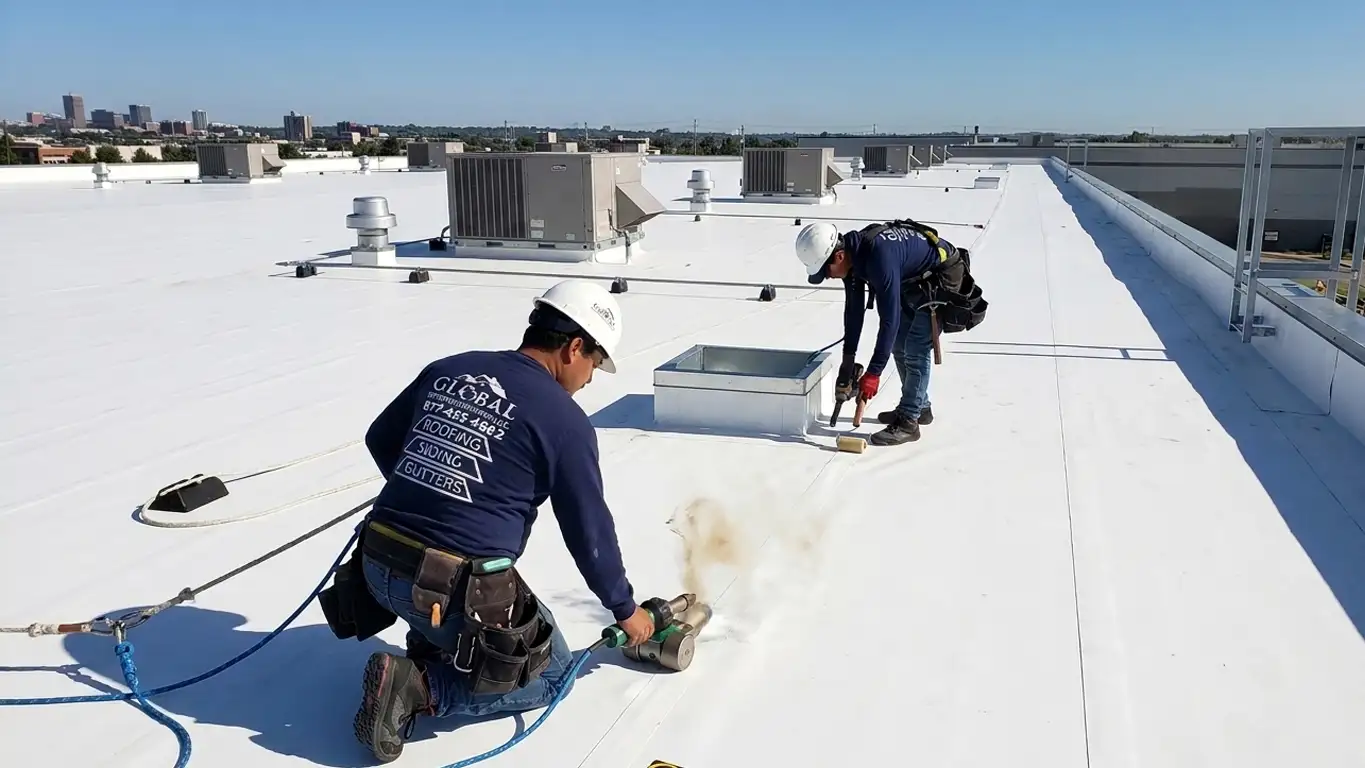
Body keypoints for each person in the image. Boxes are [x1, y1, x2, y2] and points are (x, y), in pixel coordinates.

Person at [347, 279, 657, 762]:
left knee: (465, 599)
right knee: (553, 673)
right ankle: (419, 687)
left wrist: (434, 493)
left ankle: (431, 642)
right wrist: (625, 609)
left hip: (374, 562)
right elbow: (588, 531)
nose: (591, 379)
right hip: (445, 588)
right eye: (595, 364)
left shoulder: (450, 369)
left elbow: (380, 438)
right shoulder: (564, 421)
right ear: (575, 347)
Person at [794, 219, 963, 446]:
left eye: (826, 271)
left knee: (915, 347)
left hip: (939, 277)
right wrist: (848, 362)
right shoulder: (852, 258)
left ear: (839, 257)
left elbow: (889, 321)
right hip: (912, 280)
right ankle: (919, 407)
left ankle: (909, 422)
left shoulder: (878, 258)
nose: (827, 277)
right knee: (898, 344)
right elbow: (854, 313)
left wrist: (873, 373)